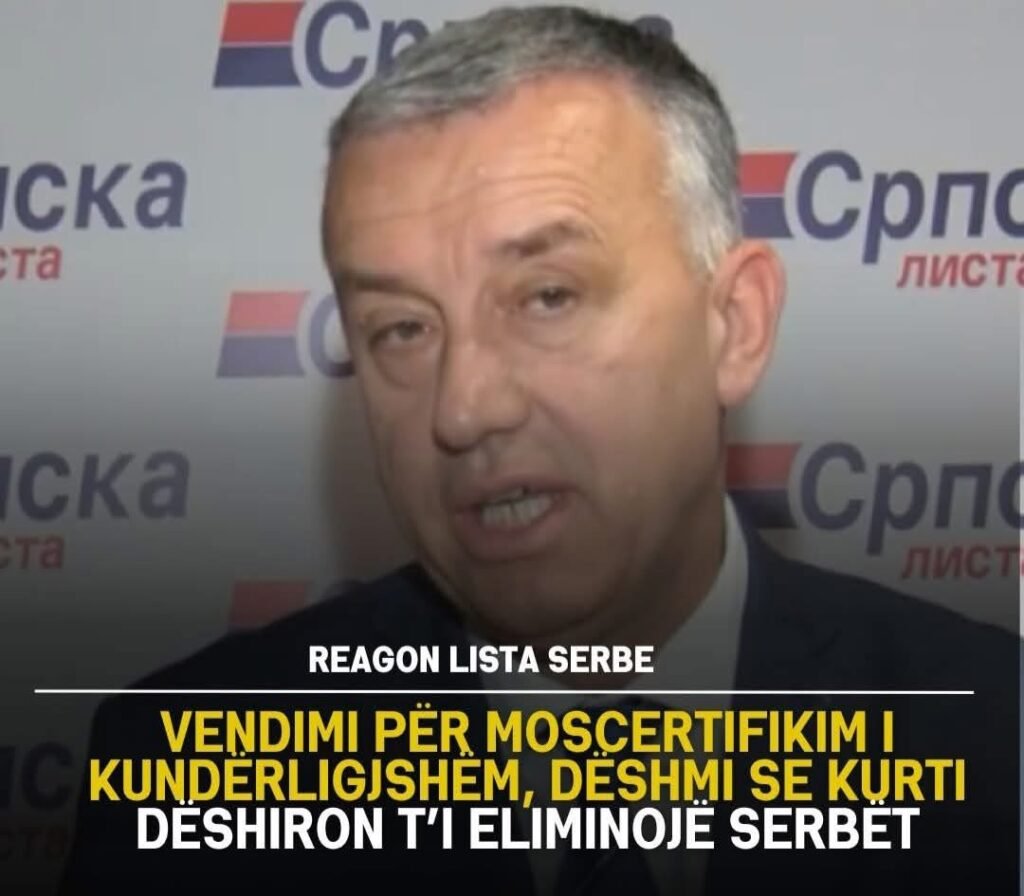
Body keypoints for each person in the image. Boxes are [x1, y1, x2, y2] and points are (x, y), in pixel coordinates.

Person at [58, 6, 1018, 894]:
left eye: (548, 297)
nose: (464, 409)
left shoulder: (993, 743)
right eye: (402, 329)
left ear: (734, 323)